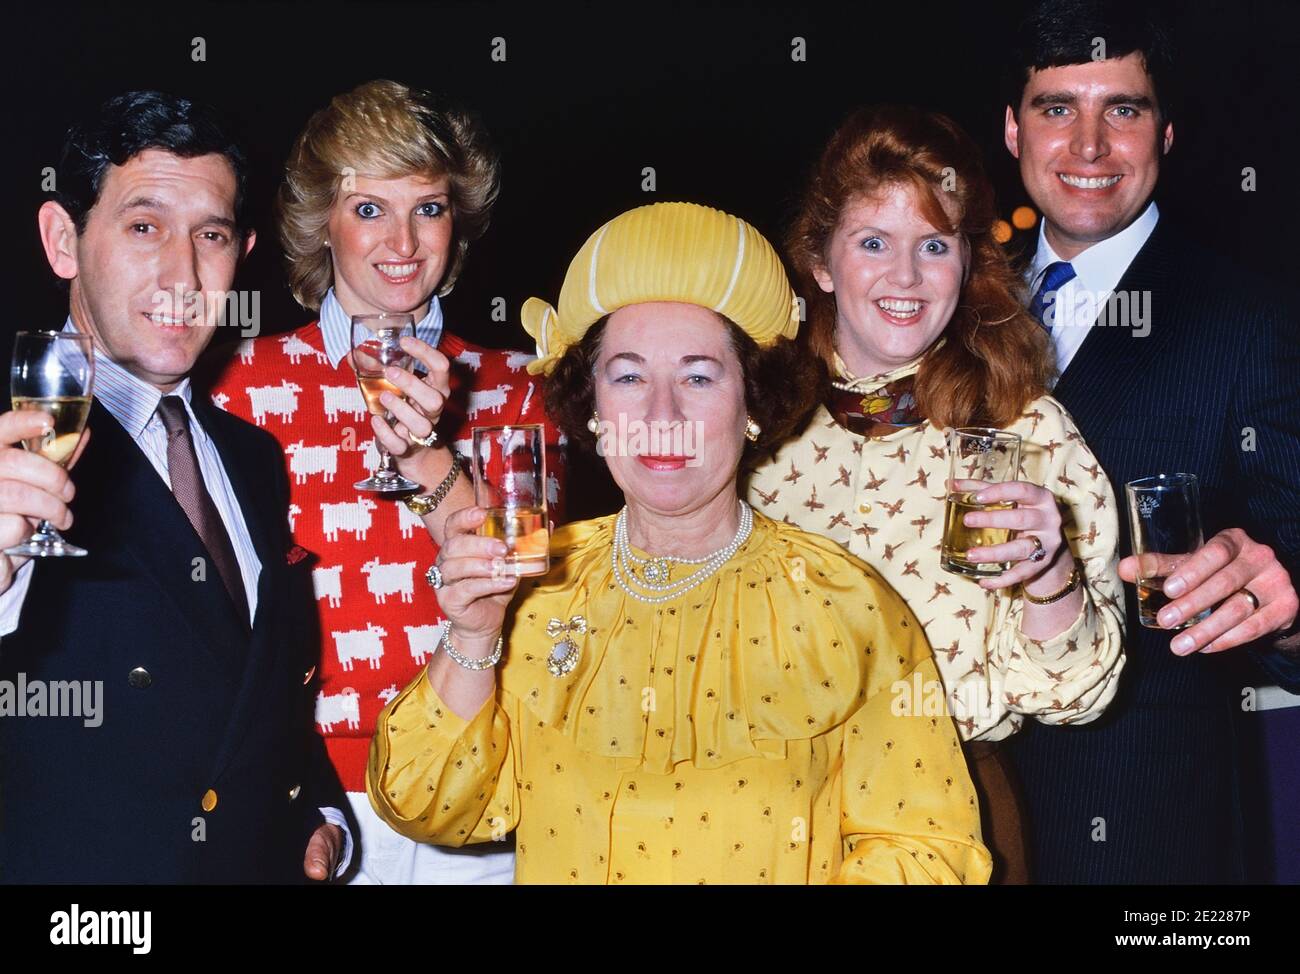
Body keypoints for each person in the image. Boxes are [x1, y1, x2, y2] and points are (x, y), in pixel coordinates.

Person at [366, 201, 993, 884]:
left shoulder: (847, 605)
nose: (661, 415)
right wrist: (476, 633)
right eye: (629, 376)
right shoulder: (538, 587)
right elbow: (427, 807)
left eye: (698, 376)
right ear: (594, 406)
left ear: (752, 402)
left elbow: (928, 851)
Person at [747, 105, 1125, 883]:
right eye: (874, 242)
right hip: (769, 811)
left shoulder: (1030, 429)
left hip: (958, 805)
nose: (907, 277)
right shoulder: (754, 430)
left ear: (967, 262)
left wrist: (1050, 578)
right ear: (821, 261)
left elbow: (1077, 698)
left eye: (934, 245)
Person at [203, 80, 564, 885]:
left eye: (429, 208)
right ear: (319, 225)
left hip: (481, 789)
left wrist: (433, 460)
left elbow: (530, 596)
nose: (402, 240)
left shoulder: (517, 385)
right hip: (311, 800)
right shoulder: (240, 385)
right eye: (369, 209)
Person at [0, 91, 348, 882]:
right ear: (63, 240)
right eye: (144, 226)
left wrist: (319, 816)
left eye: (212, 236)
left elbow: (260, 692)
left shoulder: (254, 455)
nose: (182, 273)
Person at [1001, 0, 1300, 883]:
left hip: (1146, 826)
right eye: (1058, 108)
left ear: (1165, 134)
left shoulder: (1250, 321)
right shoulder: (952, 306)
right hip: (950, 802)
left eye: (1121, 110)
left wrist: (1286, 613)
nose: (1088, 146)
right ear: (1013, 131)